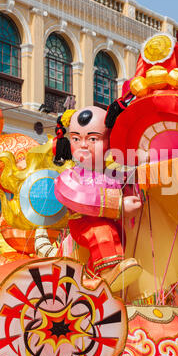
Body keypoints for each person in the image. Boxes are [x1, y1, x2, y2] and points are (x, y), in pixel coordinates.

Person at [54, 106, 143, 292]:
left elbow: (133, 188)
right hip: (84, 226)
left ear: (110, 141)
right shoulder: (69, 177)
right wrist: (119, 205)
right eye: (76, 139)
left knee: (121, 237)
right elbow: (80, 198)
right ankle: (109, 273)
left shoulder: (116, 176)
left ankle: (100, 282)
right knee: (102, 231)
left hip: (118, 229)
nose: (83, 145)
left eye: (93, 139)